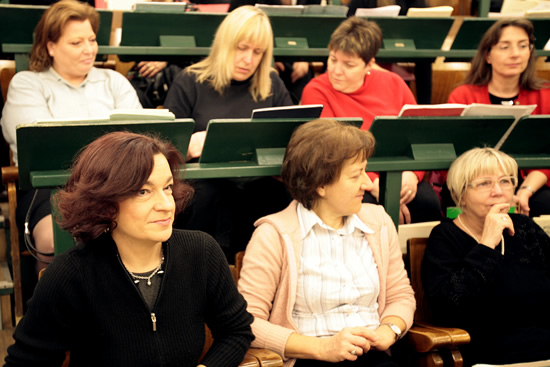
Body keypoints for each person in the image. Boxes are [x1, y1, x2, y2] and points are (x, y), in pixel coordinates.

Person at [4, 131, 254, 366]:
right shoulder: (71, 275)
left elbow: (236, 331)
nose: (166, 205)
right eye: (144, 191)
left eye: (167, 187)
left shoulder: (201, 251)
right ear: (104, 201)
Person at [238, 119, 416, 367]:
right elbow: (247, 322)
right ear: (320, 184)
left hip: (374, 357)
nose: (366, 183)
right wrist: (323, 348)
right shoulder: (274, 234)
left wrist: (389, 330)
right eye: (356, 175)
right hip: (309, 359)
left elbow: (400, 295)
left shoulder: (378, 222)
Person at [0, 0, 142, 270]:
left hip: (115, 184)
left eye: (91, 39)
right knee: (53, 240)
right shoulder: (28, 83)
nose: (89, 49)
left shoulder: (114, 82)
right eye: (76, 43)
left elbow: (137, 141)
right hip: (51, 186)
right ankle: (58, 307)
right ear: (51, 46)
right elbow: (39, 144)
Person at [163, 5, 293, 260]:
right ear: (224, 44)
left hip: (258, 183)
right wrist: (190, 145)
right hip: (204, 186)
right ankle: (200, 271)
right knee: (208, 196)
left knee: (278, 196)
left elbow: (292, 137)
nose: (249, 60)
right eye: (241, 48)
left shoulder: (271, 83)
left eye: (258, 52)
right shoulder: (190, 81)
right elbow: (164, 149)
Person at [301, 17, 441, 224]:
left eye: (348, 64)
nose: (336, 70)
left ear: (370, 64)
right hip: (345, 180)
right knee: (365, 211)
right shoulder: (316, 90)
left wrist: (413, 175)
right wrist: (377, 185)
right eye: (332, 59)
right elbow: (331, 154)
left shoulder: (394, 83)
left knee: (428, 205)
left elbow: (420, 137)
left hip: (400, 176)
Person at [422, 147, 550, 366]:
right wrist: (487, 243)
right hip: (490, 356)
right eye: (484, 183)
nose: (498, 191)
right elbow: (448, 307)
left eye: (505, 181)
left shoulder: (526, 228)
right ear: (461, 194)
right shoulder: (445, 238)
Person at [448, 18, 550, 217]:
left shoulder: (545, 95)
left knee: (545, 203)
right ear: (487, 55)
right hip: (474, 183)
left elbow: (546, 156)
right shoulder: (462, 96)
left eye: (523, 46)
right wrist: (497, 190)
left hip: (530, 181)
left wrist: (524, 191)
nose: (515, 54)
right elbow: (455, 156)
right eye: (505, 47)